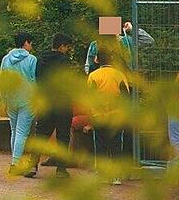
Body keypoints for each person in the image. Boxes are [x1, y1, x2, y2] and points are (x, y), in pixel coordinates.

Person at [33, 33, 76, 178]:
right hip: (62, 103)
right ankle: (61, 170)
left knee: (41, 134)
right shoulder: (64, 61)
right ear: (62, 46)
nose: (67, 50)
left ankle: (32, 165)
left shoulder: (41, 60)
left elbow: (38, 79)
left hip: (46, 102)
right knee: (63, 136)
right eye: (67, 47)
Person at [86, 47, 130, 185]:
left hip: (99, 116)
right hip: (117, 116)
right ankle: (116, 176)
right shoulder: (120, 75)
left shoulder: (93, 76)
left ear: (97, 59)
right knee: (116, 144)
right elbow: (126, 96)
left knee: (100, 144)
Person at [0, 31, 38, 177]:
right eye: (30, 43)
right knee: (22, 133)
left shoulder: (6, 59)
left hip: (11, 99)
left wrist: (3, 100)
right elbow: (34, 81)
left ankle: (15, 162)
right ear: (25, 43)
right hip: (27, 99)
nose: (31, 46)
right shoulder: (32, 59)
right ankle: (14, 164)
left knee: (14, 131)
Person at [84, 20, 154, 74]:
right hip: (103, 79)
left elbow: (149, 41)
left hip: (125, 80)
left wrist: (132, 30)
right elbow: (89, 65)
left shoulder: (126, 41)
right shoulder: (95, 45)